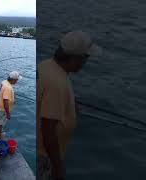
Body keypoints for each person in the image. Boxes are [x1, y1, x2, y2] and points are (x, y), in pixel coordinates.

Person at [37, 31, 101, 180]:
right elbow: (48, 130)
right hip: (43, 155)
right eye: (85, 57)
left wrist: (69, 104)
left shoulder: (46, 65)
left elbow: (46, 98)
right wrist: (58, 167)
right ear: (75, 57)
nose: (86, 62)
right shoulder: (57, 83)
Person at [0, 71, 21, 139]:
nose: (17, 81)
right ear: (13, 79)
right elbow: (5, 102)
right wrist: (8, 114)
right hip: (2, 108)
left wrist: (12, 94)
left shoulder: (4, 81)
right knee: (0, 122)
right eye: (16, 80)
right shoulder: (8, 88)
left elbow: (1, 90)